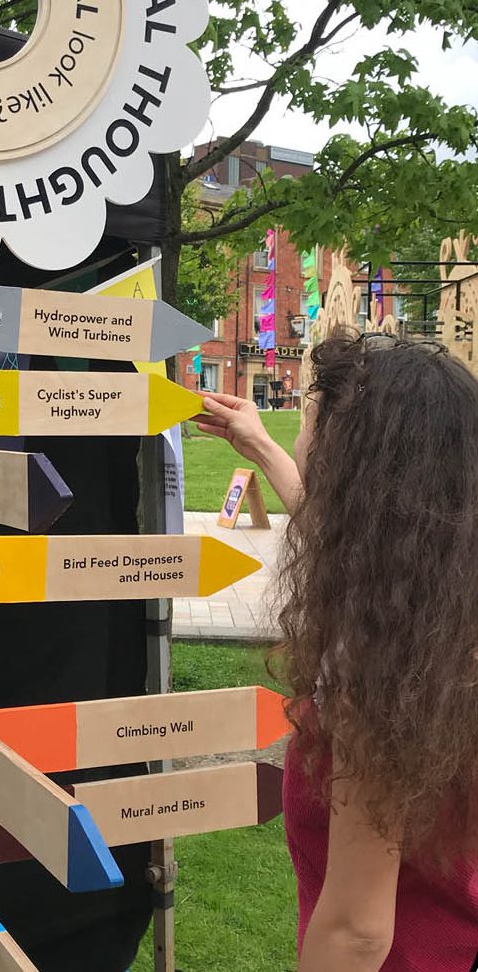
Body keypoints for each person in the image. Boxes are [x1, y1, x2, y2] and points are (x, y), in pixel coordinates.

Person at [194, 332, 478, 972]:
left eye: (306, 425)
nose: (300, 440)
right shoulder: (441, 607)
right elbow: (361, 545)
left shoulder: (386, 672)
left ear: (347, 466)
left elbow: (356, 930)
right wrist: (261, 446)